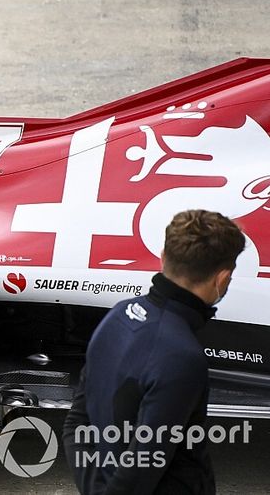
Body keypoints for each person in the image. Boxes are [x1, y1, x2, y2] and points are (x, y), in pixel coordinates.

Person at [63, 209, 245, 493]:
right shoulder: (183, 356)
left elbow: (76, 422)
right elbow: (141, 469)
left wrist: (95, 489)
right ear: (222, 279)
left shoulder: (118, 314)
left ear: (162, 257)